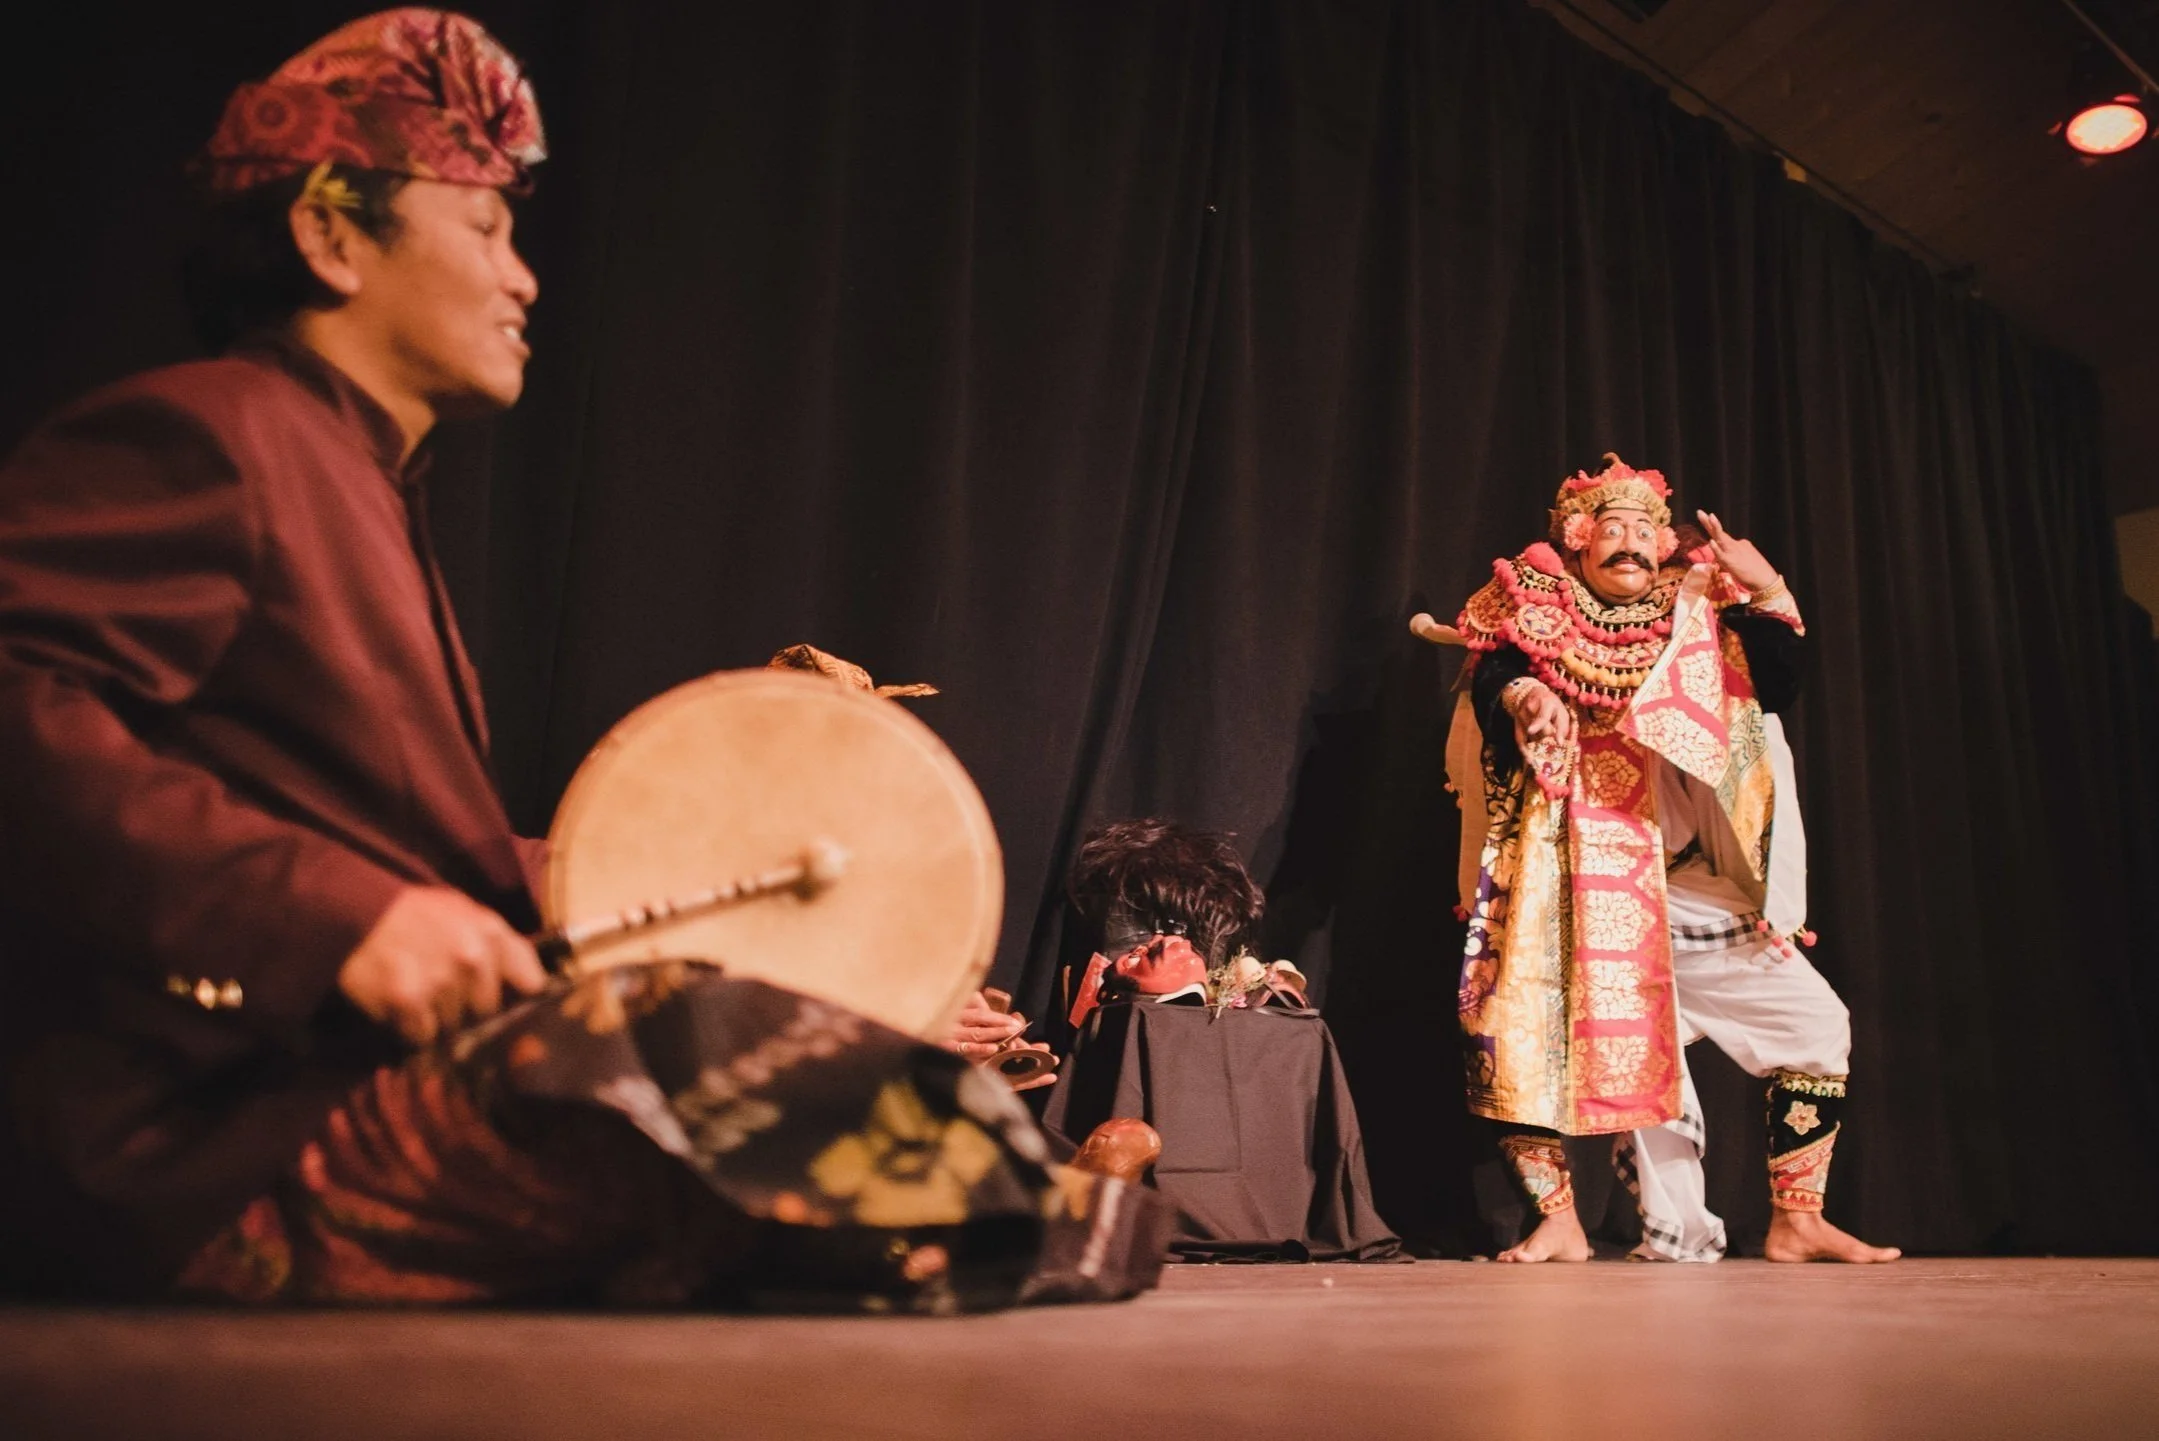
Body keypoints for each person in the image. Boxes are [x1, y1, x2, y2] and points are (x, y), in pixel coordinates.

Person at [0, 9, 1161, 1307]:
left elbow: (432, 868)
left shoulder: (359, 483)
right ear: (331, 233)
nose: (524, 279)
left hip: (312, 1089)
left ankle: (1007, 1196)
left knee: (735, 1008)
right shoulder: (211, 435)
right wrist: (337, 918)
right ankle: (1022, 1204)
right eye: (486, 228)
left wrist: (762, 930)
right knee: (665, 1042)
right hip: (211, 1138)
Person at [1448, 453, 1898, 1264]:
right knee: (1524, 1036)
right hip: (1580, 888)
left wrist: (1766, 590)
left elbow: (1776, 686)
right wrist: (1527, 696)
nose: (1627, 543)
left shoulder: (1697, 612)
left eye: (1642, 530)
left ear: (1663, 546)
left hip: (1691, 887)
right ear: (1580, 543)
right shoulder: (1539, 608)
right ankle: (1559, 1219)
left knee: (1815, 1025)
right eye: (1609, 529)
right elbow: (1496, 675)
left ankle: (1796, 1219)